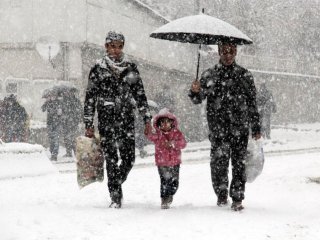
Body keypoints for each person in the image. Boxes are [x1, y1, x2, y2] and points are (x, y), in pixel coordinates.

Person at [188, 42, 261, 211]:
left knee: (239, 164)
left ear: (235, 52)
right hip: (218, 128)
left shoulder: (244, 75)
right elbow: (197, 99)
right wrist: (195, 91)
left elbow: (252, 103)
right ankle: (221, 195)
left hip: (240, 128)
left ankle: (237, 197)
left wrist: (256, 127)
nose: (228, 55)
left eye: (231, 51)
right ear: (219, 52)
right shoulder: (209, 74)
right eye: (224, 51)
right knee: (218, 164)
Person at [84, 31, 152, 208]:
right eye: (112, 46)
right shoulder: (98, 69)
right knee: (111, 159)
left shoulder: (131, 68)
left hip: (126, 118)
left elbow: (140, 95)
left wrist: (146, 119)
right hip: (106, 120)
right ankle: (115, 197)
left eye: (119, 46)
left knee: (129, 158)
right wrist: (88, 123)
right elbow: (90, 96)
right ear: (106, 46)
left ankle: (117, 180)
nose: (116, 50)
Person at [144, 108, 186, 209]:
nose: (165, 124)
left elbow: (183, 143)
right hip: (162, 163)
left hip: (175, 162)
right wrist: (147, 130)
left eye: (167, 122)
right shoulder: (158, 135)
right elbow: (150, 136)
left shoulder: (177, 133)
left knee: (174, 182)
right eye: (162, 122)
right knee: (164, 181)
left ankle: (171, 194)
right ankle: (164, 199)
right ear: (158, 124)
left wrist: (173, 144)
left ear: (172, 123)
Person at [42, 92, 63, 161]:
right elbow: (43, 109)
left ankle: (54, 155)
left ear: (56, 96)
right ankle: (52, 153)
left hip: (57, 124)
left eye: (54, 95)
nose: (52, 97)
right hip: (50, 123)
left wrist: (56, 111)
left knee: (56, 140)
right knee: (51, 140)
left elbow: (60, 113)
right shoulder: (48, 102)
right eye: (51, 95)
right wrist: (46, 102)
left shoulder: (59, 103)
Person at [61, 89, 82, 157]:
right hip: (65, 122)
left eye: (71, 92)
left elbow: (79, 111)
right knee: (66, 138)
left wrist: (78, 119)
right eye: (68, 92)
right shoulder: (64, 101)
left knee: (73, 138)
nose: (69, 93)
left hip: (73, 122)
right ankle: (68, 152)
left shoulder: (76, 101)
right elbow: (62, 111)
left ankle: (75, 152)